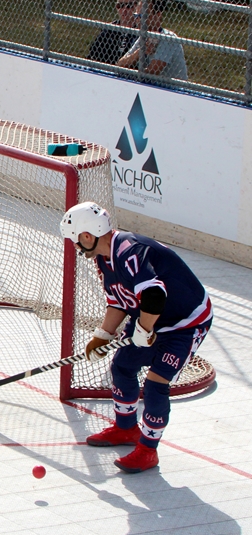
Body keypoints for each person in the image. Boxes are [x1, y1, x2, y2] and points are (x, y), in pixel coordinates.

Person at [60, 202, 212, 473]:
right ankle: (126, 428)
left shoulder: (130, 252)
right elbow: (118, 301)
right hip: (151, 318)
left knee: (156, 384)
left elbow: (154, 295)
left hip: (185, 324)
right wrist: (103, 335)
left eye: (75, 241)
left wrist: (143, 329)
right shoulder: (103, 258)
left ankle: (147, 450)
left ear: (87, 236)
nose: (75, 247)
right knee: (122, 366)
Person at [117, 0, 188, 81]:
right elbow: (119, 65)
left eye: (144, 16)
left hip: (172, 90)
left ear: (158, 15)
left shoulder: (168, 38)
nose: (139, 20)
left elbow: (152, 73)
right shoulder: (143, 37)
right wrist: (140, 52)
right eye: (137, 16)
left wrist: (132, 73)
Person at [86, 0, 138, 65]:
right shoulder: (109, 29)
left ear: (137, 7)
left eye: (129, 6)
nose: (124, 10)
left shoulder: (141, 32)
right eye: (120, 5)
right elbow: (93, 54)